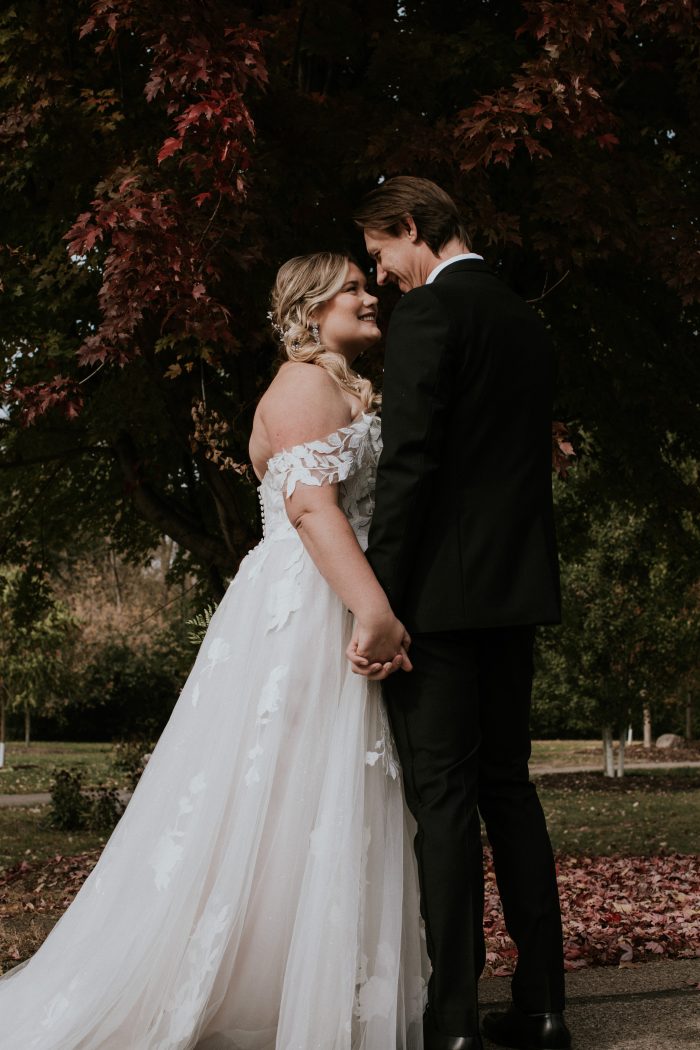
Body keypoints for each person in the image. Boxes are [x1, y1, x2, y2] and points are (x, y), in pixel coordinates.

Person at [0, 252, 428, 1049]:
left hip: (326, 593)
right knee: (282, 787)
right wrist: (373, 610)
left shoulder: (340, 386)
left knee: (314, 794)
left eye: (370, 287)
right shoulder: (303, 384)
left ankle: (305, 981)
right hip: (310, 604)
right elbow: (309, 508)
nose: (372, 298)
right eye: (353, 289)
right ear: (307, 310)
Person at [349, 177, 571, 1050]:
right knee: (510, 790)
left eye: (381, 252)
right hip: (515, 595)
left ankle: (452, 1024)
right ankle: (545, 1009)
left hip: (436, 604)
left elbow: (408, 469)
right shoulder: (525, 319)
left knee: (443, 803)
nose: (384, 274)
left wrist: (381, 602)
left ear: (411, 228)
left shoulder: (429, 319)